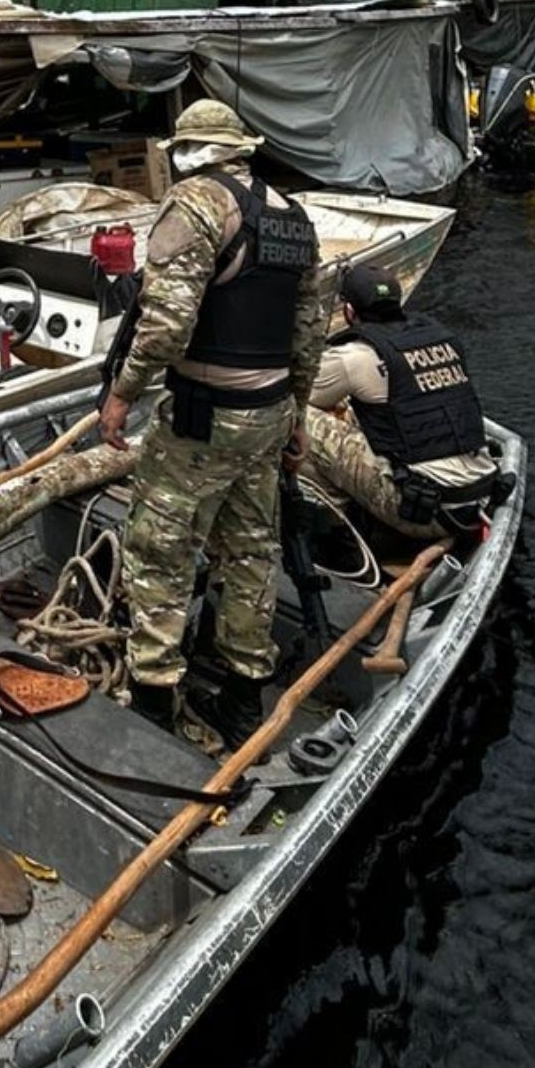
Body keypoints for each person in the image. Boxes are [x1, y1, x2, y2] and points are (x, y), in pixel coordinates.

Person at [100, 99, 327, 751]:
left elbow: (166, 326)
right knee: (253, 548)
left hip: (205, 417)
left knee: (159, 547)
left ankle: (151, 695)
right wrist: (300, 417)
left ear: (187, 151)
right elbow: (308, 331)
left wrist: (121, 395)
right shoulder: (292, 215)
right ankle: (243, 693)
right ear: (242, 149)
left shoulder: (193, 205)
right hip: (271, 410)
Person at [296, 263, 499, 536]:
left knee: (295, 414)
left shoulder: (356, 355)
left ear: (349, 311)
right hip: (481, 494)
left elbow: (303, 395)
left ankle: (335, 518)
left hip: (423, 510)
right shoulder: (444, 340)